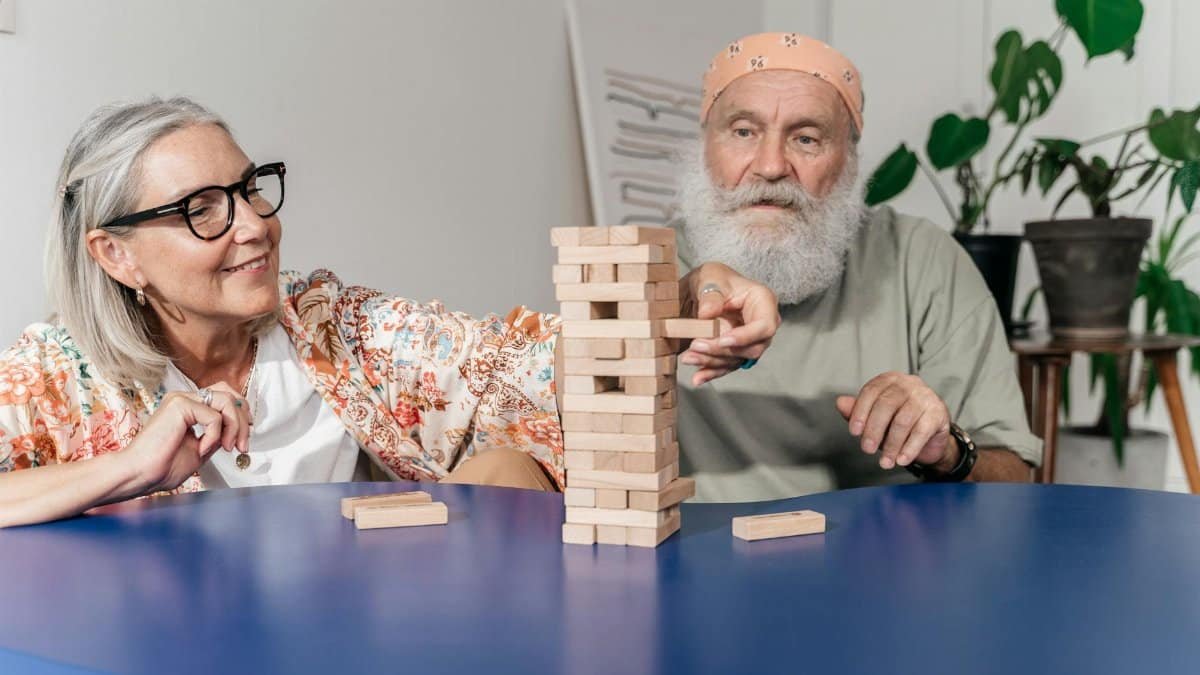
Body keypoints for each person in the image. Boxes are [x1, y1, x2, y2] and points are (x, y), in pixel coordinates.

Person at [0, 97, 779, 527]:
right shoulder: (54, 376)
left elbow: (516, 362)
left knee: (508, 470)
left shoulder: (334, 326)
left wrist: (681, 299)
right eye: (203, 209)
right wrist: (128, 468)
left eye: (249, 188)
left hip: (354, 634)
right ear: (115, 255)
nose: (254, 225)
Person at [673, 33, 1042, 501]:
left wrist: (946, 451)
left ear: (849, 160)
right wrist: (672, 304)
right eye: (744, 131)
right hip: (695, 560)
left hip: (882, 558)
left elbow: (1014, 478)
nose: (770, 166)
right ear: (705, 146)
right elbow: (559, 433)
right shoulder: (650, 266)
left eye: (806, 138)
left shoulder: (922, 259)